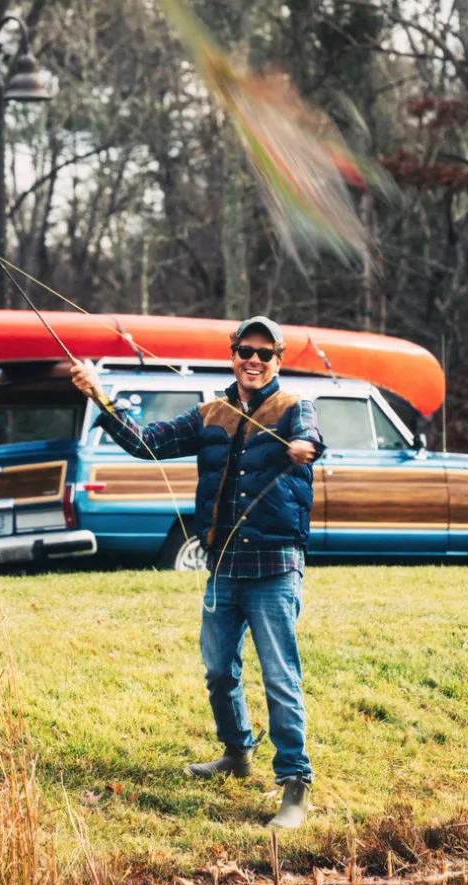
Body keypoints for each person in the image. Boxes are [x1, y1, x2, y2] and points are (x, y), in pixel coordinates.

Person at [70, 315, 324, 829]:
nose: (253, 360)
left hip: (276, 566)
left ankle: (294, 785)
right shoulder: (210, 413)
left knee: (279, 676)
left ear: (278, 361)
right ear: (233, 354)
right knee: (217, 670)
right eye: (244, 351)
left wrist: (306, 449)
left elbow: (312, 439)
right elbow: (146, 442)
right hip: (223, 566)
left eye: (264, 353)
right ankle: (236, 753)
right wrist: (101, 397)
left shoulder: (296, 408)